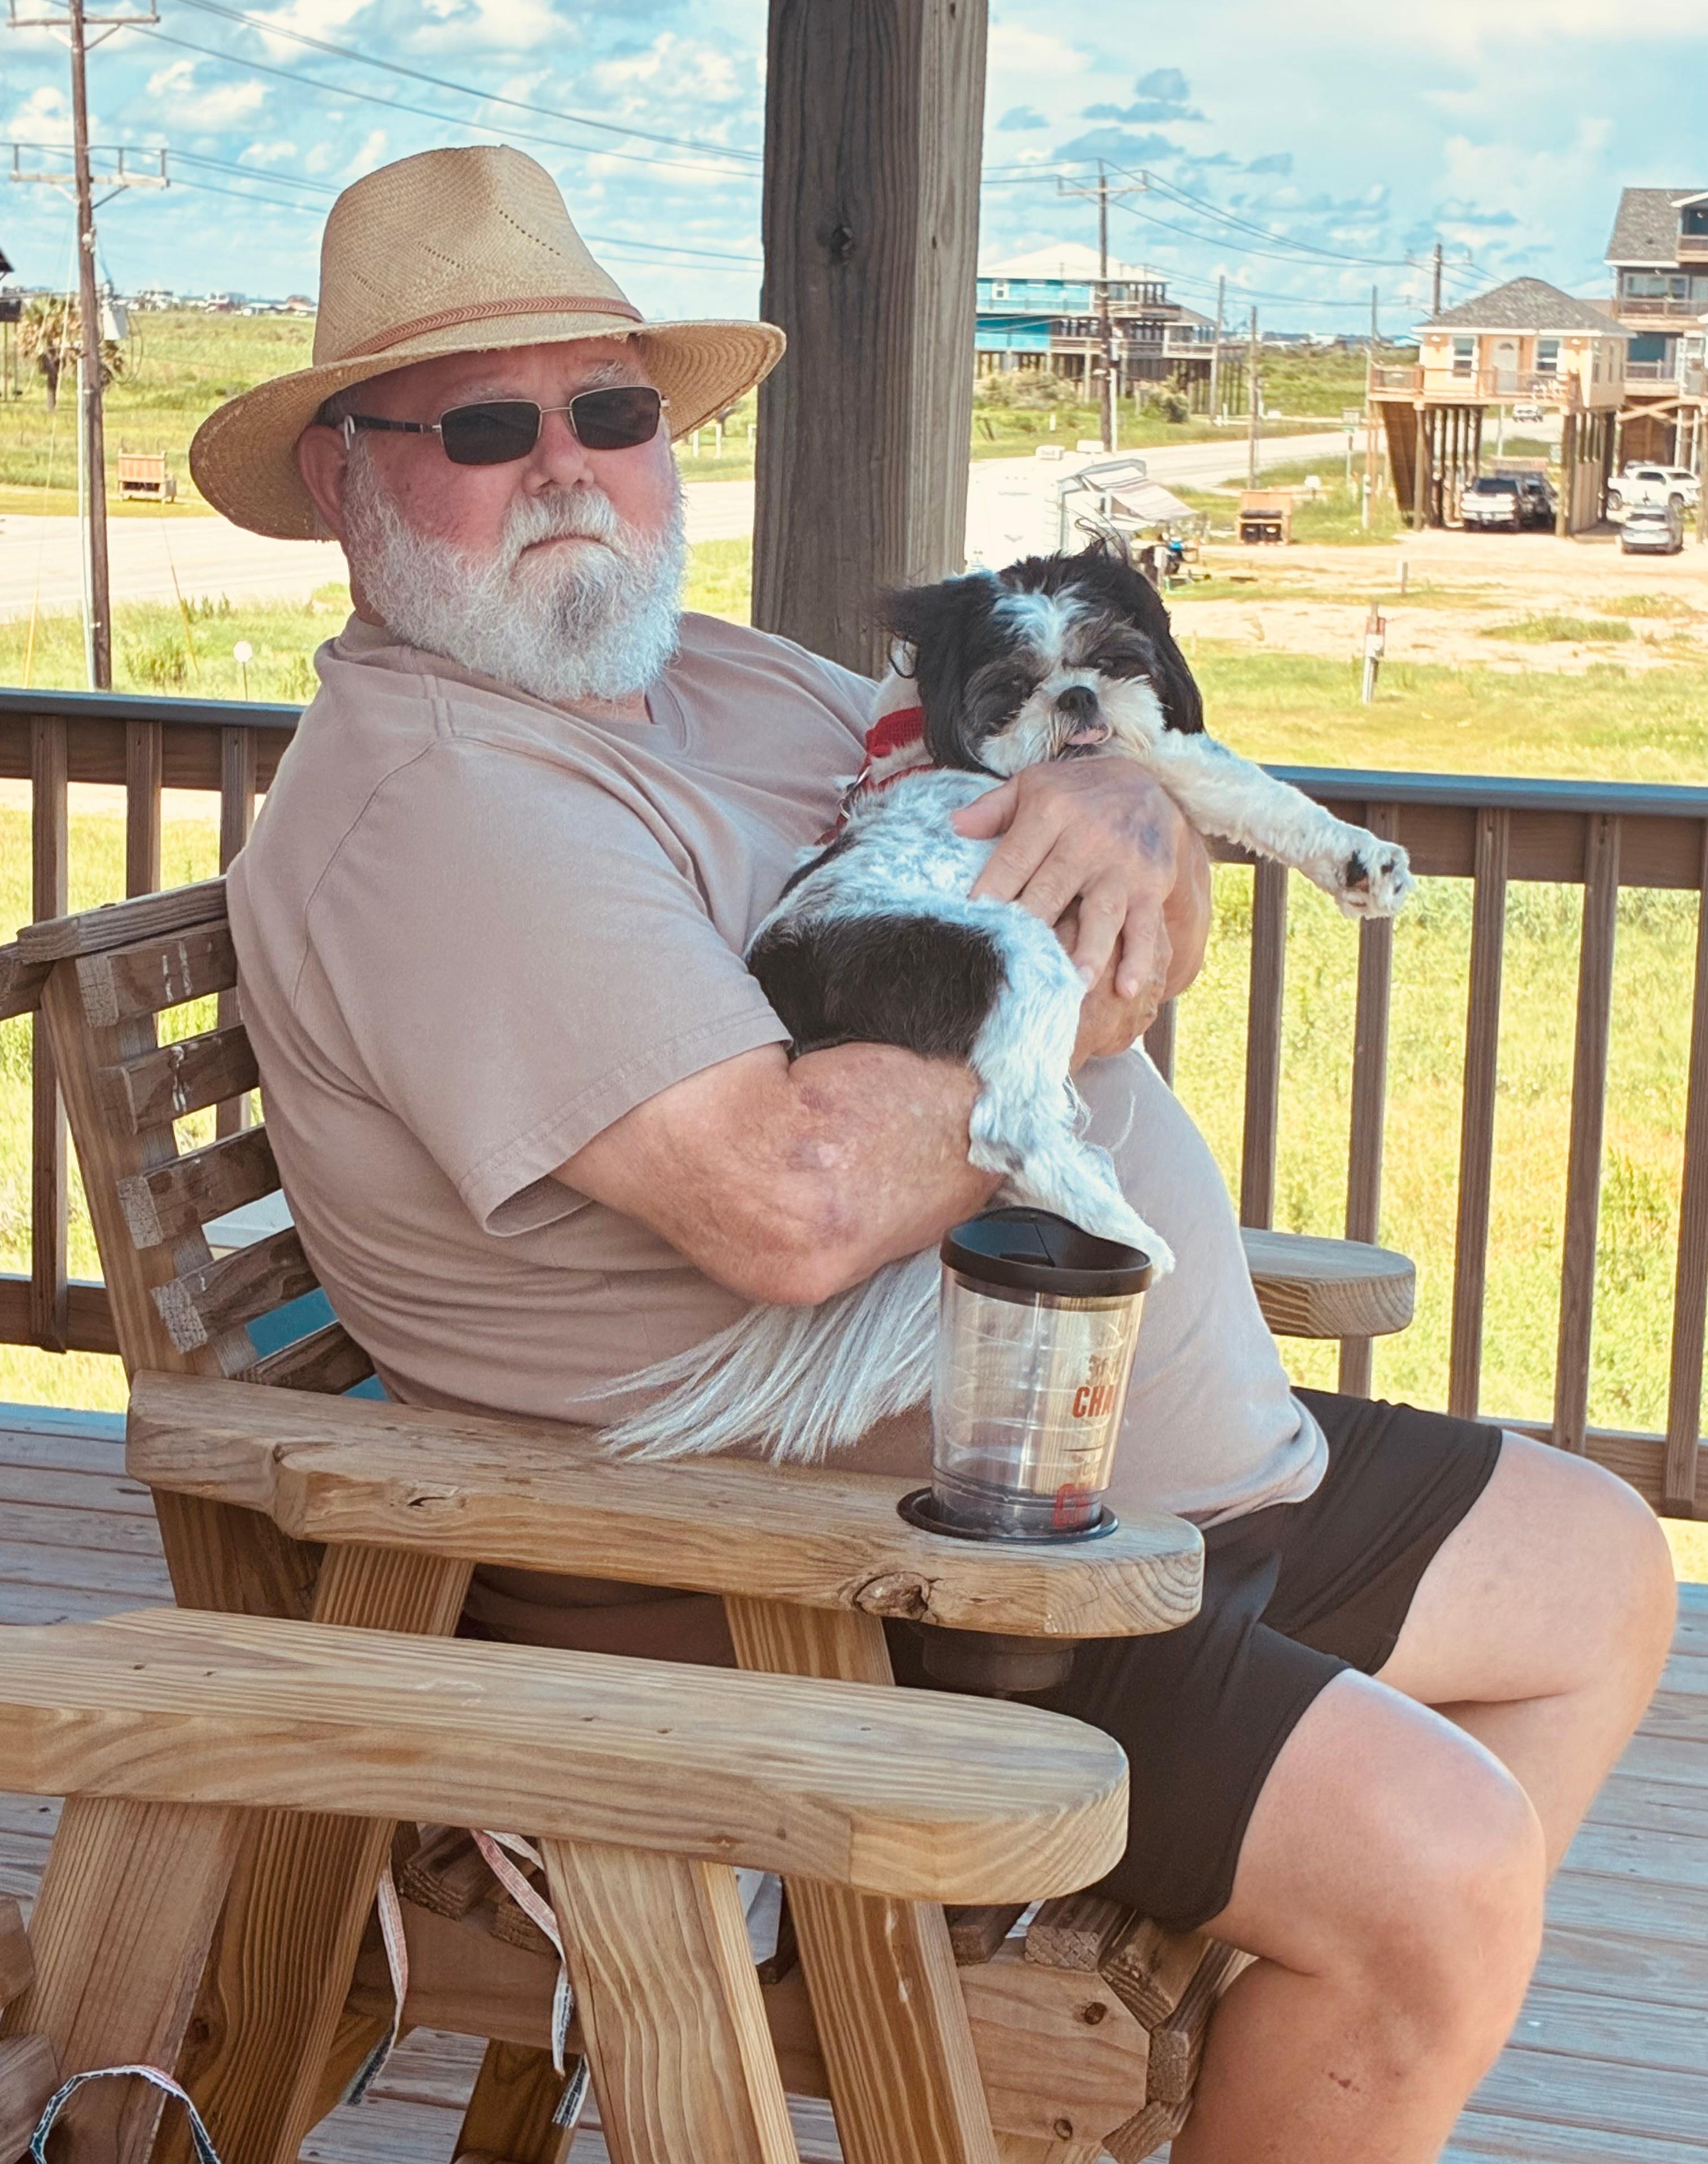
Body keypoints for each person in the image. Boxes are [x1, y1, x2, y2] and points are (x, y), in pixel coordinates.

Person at [193, 145, 1675, 2164]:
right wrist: (1107, 977)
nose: (566, 466)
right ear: (350, 488)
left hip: (1086, 1483)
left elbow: (1043, 782)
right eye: (481, 424)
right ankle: (1326, 1993)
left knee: (1596, 1572)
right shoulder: (452, 806)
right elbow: (794, 1202)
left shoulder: (703, 680)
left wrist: (1140, 819)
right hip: (849, 1585)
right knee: (1438, 1876)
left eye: (609, 411)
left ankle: (1296, 2058)